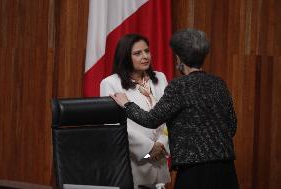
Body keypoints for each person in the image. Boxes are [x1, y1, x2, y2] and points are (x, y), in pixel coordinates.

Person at [110, 28, 239, 189]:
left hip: (194, 171)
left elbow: (151, 119)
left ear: (179, 58)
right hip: (226, 168)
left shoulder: (180, 85)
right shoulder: (218, 83)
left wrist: (127, 104)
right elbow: (232, 126)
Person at [100, 34, 171, 189]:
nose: (145, 56)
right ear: (125, 57)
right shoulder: (110, 83)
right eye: (138, 53)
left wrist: (161, 143)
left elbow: (170, 116)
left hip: (159, 157)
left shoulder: (160, 78)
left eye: (147, 51)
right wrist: (148, 147)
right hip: (133, 161)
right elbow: (114, 125)